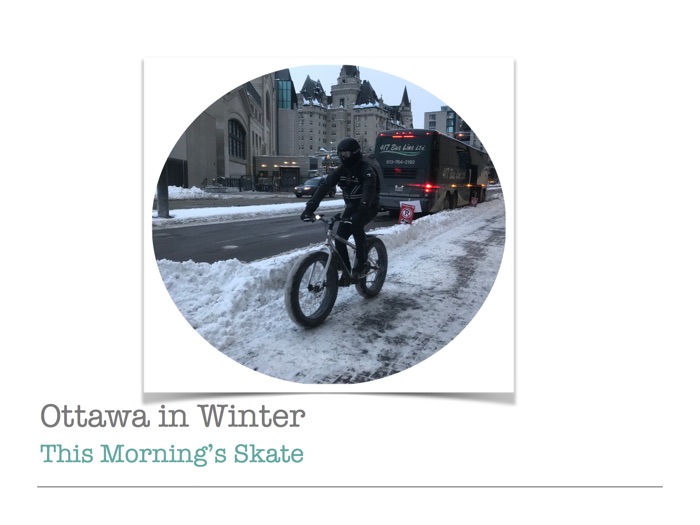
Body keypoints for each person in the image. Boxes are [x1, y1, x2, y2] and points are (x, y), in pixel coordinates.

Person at [301, 137, 381, 282]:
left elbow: (368, 192)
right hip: (351, 207)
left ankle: (362, 263)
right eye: (340, 154)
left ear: (355, 153)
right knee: (340, 239)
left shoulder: (367, 171)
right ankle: (346, 272)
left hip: (369, 206)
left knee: (356, 226)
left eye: (346, 154)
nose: (343, 157)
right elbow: (324, 187)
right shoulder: (340, 171)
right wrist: (310, 208)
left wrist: (360, 212)